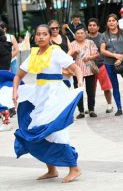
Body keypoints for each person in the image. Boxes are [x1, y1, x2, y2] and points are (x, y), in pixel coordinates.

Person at [12, 24, 84, 183]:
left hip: (55, 96)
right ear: (35, 37)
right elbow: (17, 76)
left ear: (50, 37)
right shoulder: (33, 54)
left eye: (44, 34)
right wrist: (15, 91)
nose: (41, 37)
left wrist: (79, 82)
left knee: (56, 131)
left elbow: (76, 69)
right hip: (41, 96)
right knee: (36, 130)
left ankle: (74, 168)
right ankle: (51, 169)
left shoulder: (56, 52)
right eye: (38, 34)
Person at [68, 27, 98, 118]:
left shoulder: (90, 42)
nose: (80, 35)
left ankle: (91, 110)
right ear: (75, 35)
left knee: (91, 91)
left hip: (89, 70)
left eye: (81, 33)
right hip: (76, 72)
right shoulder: (72, 44)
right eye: (77, 33)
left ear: (85, 34)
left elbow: (97, 54)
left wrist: (90, 57)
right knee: (78, 91)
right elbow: (69, 57)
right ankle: (81, 111)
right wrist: (74, 54)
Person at [87, 18, 114, 113]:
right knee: (90, 89)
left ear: (98, 27)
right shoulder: (85, 37)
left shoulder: (103, 37)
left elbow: (107, 50)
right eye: (90, 25)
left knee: (106, 87)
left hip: (102, 65)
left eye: (94, 25)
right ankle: (91, 108)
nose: (92, 27)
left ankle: (109, 105)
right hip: (89, 67)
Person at [0, 28, 13, 132]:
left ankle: (6, 122)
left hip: (1, 74)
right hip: (5, 73)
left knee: (1, 101)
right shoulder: (7, 45)